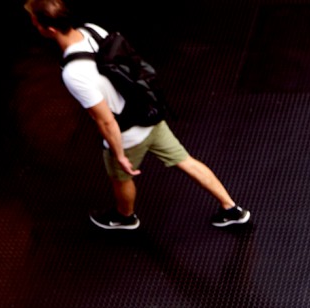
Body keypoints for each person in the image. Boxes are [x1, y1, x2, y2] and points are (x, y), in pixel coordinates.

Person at [25, 0, 252, 231]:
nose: (34, 26)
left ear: (49, 29)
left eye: (35, 22)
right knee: (185, 161)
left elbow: (105, 120)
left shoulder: (74, 73)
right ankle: (231, 208)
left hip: (126, 133)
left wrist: (120, 155)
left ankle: (125, 217)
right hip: (148, 115)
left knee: (121, 177)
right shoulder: (93, 30)